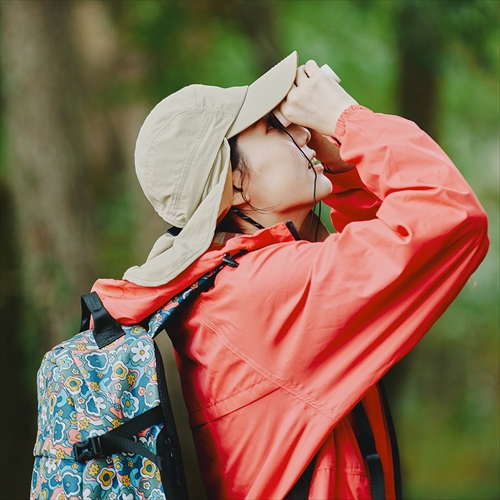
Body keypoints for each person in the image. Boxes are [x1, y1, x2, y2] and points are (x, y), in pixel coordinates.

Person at [92, 51, 489, 499]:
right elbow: (449, 215)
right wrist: (346, 119)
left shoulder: (232, 284)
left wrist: (338, 163)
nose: (301, 131)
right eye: (274, 127)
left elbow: (388, 247)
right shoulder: (264, 292)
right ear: (234, 183)